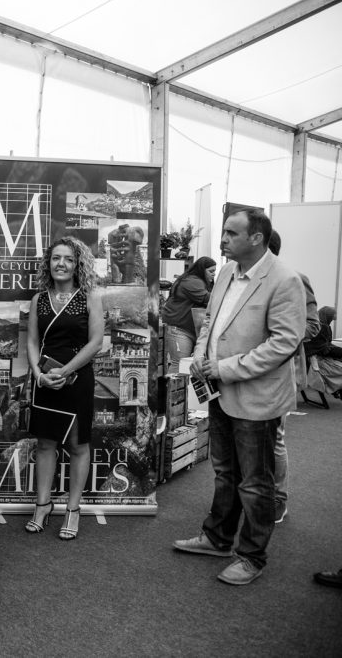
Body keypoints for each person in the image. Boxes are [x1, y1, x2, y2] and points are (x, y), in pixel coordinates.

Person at [173, 210, 305, 585]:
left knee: (255, 482)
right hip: (218, 392)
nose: (223, 239)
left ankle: (251, 556)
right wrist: (200, 357)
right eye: (224, 232)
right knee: (225, 472)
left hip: (255, 398)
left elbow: (284, 343)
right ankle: (217, 538)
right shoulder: (228, 273)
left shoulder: (284, 280)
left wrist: (225, 367)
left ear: (257, 238)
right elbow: (210, 323)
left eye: (232, 233)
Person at [24, 237, 104, 540]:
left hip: (76, 379)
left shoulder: (90, 297)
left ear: (77, 264)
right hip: (44, 380)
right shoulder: (38, 299)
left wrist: (66, 370)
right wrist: (37, 374)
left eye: (68, 259)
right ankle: (43, 505)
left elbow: (96, 342)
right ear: (49, 263)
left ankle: (73, 509)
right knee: (45, 444)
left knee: (77, 445)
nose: (61, 264)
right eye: (56, 258)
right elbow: (32, 341)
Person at [266, 230, 319, 524]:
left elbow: (312, 327)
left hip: (277, 372)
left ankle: (278, 499)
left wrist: (276, 339)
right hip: (238, 373)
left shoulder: (295, 279)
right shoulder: (235, 279)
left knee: (275, 440)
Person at [161, 256, 217, 373]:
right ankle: (171, 390)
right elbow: (210, 300)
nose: (213, 274)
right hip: (180, 330)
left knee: (183, 364)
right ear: (202, 270)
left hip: (187, 329)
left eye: (214, 271)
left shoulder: (197, 281)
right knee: (179, 364)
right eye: (211, 271)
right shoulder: (192, 281)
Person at [306, 306, 342, 397]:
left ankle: (337, 390)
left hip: (320, 357)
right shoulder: (321, 328)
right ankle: (336, 389)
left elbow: (326, 345)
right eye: (334, 314)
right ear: (329, 315)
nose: (336, 316)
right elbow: (322, 349)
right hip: (315, 360)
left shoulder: (325, 326)